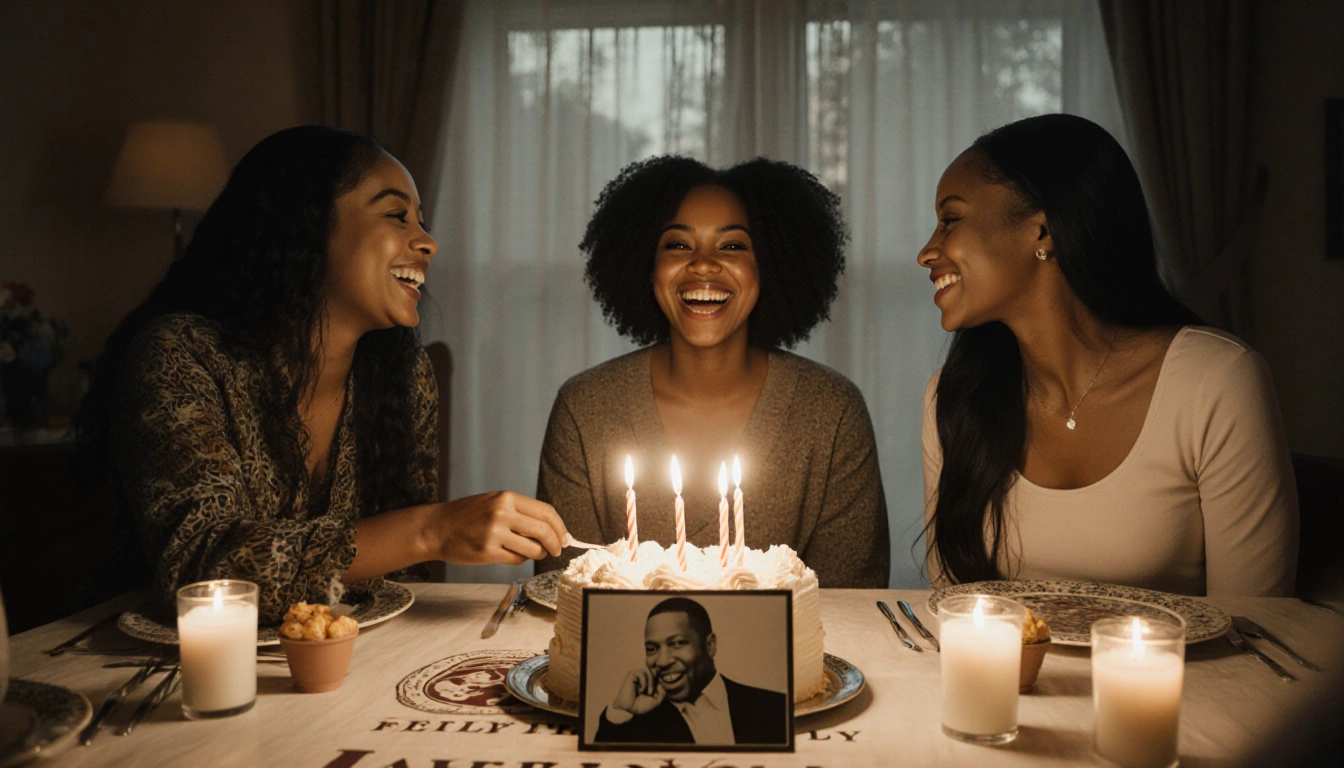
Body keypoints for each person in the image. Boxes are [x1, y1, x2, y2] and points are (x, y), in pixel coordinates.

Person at [78, 126, 568, 624]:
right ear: (306, 227)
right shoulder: (181, 356)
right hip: (163, 669)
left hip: (338, 662)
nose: (428, 243)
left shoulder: (403, 376)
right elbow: (201, 571)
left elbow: (394, 587)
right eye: (397, 215)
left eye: (421, 221)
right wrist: (430, 529)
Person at [918, 113, 1298, 596]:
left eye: (950, 220)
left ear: (1043, 230)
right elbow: (952, 609)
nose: (927, 252)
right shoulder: (952, 398)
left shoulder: (1217, 382)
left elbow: (1258, 626)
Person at [536, 156, 890, 588]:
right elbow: (563, 594)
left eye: (733, 246)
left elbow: (851, 602)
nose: (703, 264)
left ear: (770, 267)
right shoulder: (585, 409)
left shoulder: (833, 412)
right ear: (646, 267)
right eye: (679, 245)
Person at [594, 597, 788, 745]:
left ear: (710, 645)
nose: (662, 661)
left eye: (677, 643)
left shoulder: (774, 708)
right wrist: (622, 710)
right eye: (652, 648)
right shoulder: (633, 722)